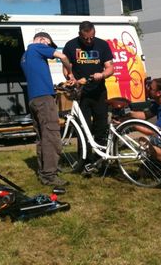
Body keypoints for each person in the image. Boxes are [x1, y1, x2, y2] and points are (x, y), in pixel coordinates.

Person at [21, 32, 73, 187]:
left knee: (42, 137)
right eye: (49, 45)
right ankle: (50, 175)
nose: (48, 49)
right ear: (43, 40)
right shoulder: (37, 47)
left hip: (34, 99)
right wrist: (69, 72)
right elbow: (62, 57)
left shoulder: (25, 55)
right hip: (44, 100)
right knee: (51, 136)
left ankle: (44, 170)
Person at [63, 21, 114, 151]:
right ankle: (86, 160)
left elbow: (110, 68)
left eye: (92, 37)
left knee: (101, 126)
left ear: (94, 32)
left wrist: (102, 75)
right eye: (86, 38)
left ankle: (101, 158)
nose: (89, 41)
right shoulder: (70, 46)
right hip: (81, 94)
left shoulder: (102, 45)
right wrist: (71, 78)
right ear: (80, 34)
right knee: (83, 127)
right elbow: (66, 68)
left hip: (99, 92)